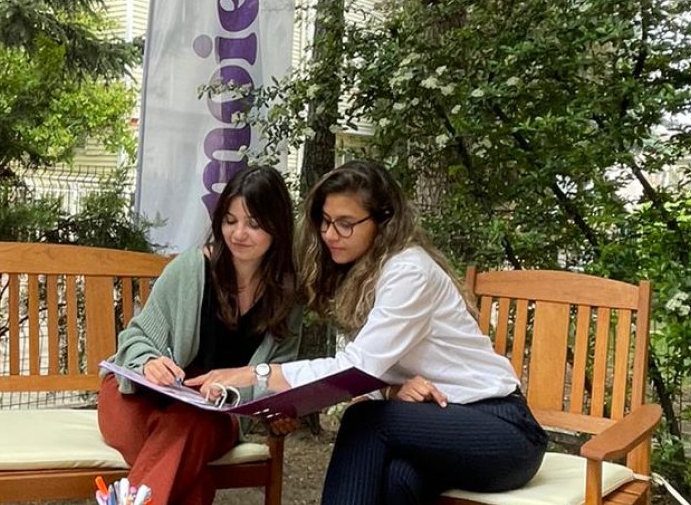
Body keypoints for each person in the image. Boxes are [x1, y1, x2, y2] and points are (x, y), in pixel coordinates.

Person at [189, 160, 548, 504]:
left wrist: (258, 374)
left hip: (503, 430)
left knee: (365, 422)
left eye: (346, 223)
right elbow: (372, 374)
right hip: (440, 422)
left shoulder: (409, 271)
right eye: (326, 221)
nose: (331, 234)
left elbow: (355, 371)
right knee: (397, 480)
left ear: (383, 221)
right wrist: (390, 389)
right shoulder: (359, 274)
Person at [98, 164, 303, 505]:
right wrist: (149, 361)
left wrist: (235, 388)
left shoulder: (287, 297)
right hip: (137, 400)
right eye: (230, 220)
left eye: (253, 223)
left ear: (277, 227)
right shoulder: (190, 270)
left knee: (192, 427)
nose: (238, 233)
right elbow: (135, 338)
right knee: (191, 471)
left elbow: (278, 376)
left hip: (212, 416)